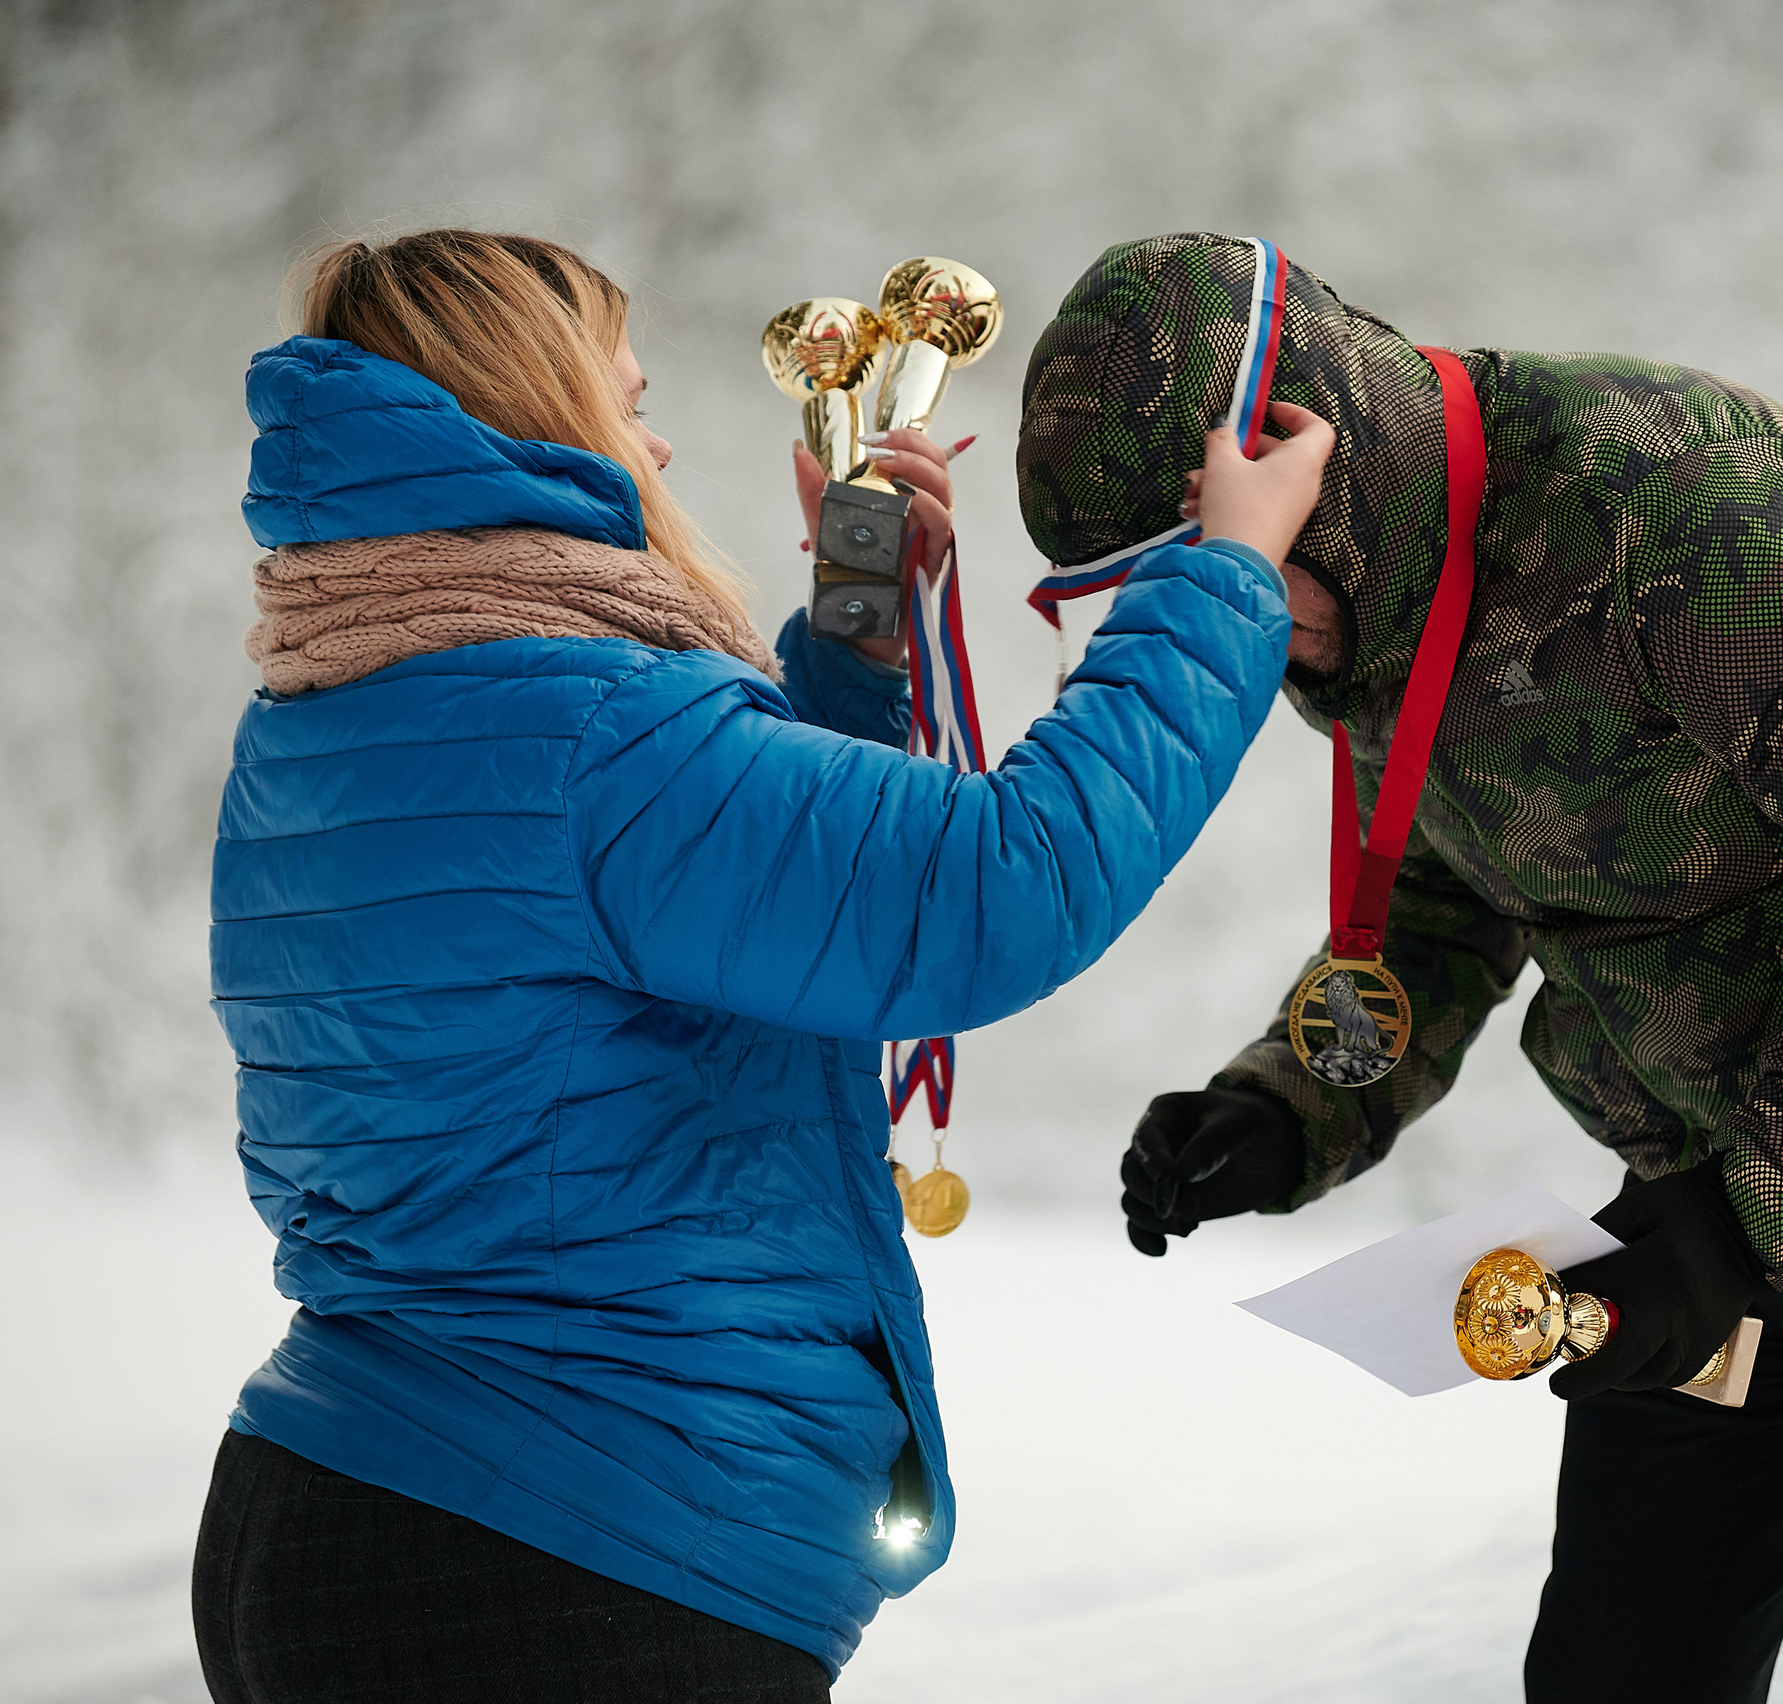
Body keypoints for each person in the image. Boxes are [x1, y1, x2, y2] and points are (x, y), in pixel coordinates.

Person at [1018, 233, 1783, 1703]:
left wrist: (1738, 1221)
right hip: (1723, 1181)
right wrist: (1287, 1110)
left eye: (1215, 568)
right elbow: (1448, 885)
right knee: (1618, 1667)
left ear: (1307, 456)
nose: (1226, 623)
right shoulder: (1365, 600)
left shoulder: (1680, 519)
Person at [193, 227, 1332, 1702]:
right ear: (541, 413)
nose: (657, 443)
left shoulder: (333, 713)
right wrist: (1226, 573)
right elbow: (996, 886)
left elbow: (713, 921)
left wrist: (858, 620)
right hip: (562, 1568)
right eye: (631, 399)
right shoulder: (593, 731)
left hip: (346, 1503)